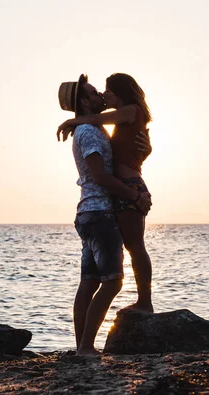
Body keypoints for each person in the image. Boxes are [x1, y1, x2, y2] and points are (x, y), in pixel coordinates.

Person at [58, 74, 152, 355]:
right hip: (99, 212)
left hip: (96, 210)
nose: (101, 94)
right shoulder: (89, 131)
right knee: (112, 281)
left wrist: (145, 151)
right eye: (95, 92)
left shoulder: (97, 128)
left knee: (91, 281)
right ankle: (86, 346)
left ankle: (82, 347)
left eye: (105, 90)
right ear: (84, 102)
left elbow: (126, 150)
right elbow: (100, 175)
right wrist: (134, 195)